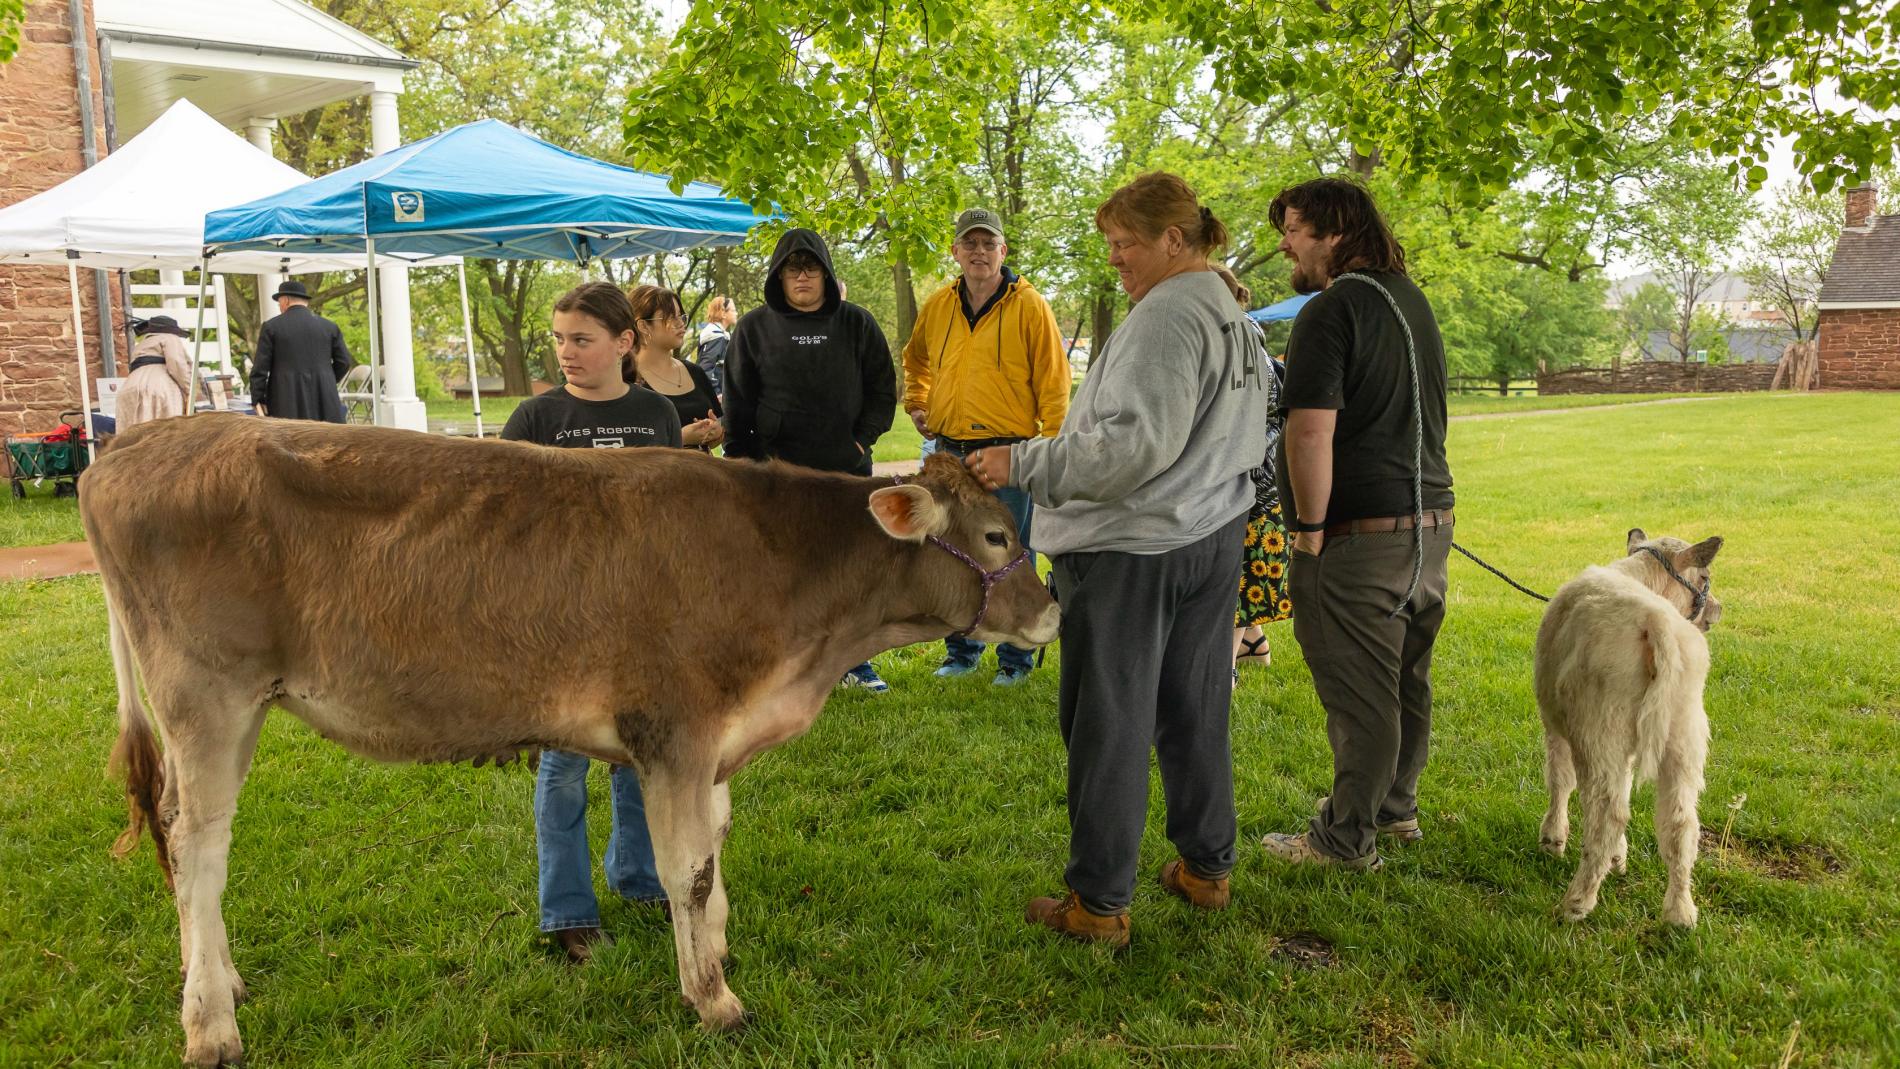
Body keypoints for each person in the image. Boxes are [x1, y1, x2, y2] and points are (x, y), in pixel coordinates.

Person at [966, 173, 1267, 945]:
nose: (1115, 258)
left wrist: (1021, 462)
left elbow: (1131, 448)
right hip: (1208, 535)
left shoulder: (1169, 313)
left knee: (1110, 721)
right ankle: (1206, 866)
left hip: (1136, 549)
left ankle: (1098, 904)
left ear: (1174, 239)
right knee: (1196, 706)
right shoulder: (1228, 309)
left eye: (1125, 243)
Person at [1258, 176, 1455, 871]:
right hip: (1429, 528)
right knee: (1404, 680)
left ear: (1335, 232)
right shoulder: (1411, 300)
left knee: (1362, 694)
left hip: (1359, 539)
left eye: (1294, 229)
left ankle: (1344, 841)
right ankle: (1394, 809)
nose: (1285, 244)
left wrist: (1308, 528)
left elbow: (1309, 432)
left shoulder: (1331, 309)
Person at [501, 282, 684, 963]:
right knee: (563, 768)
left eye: (581, 339)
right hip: (562, 620)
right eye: (559, 339)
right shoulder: (535, 417)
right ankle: (567, 910)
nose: (566, 352)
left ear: (624, 342)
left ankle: (640, 878)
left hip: (641, 614)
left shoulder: (657, 413)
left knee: (639, 755)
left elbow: (671, 513)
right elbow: (503, 522)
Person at [901, 207, 1070, 686]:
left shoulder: (1030, 305)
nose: (979, 252)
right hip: (949, 450)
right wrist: (917, 402)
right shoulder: (938, 305)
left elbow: (1054, 383)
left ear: (1003, 251)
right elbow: (915, 359)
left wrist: (1049, 450)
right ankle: (962, 652)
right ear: (955, 251)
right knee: (953, 552)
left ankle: (1016, 659)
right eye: (970, 243)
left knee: (1011, 552)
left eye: (988, 243)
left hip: (1007, 452)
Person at [724, 228, 897, 692]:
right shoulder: (753, 328)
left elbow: (883, 392)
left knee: (849, 567)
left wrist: (860, 441)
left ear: (826, 273)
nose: (802, 277)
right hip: (778, 476)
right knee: (785, 572)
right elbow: (737, 401)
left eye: (811, 267)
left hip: (846, 473)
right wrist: (743, 463)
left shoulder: (857, 323)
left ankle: (854, 662)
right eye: (792, 269)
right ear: (777, 277)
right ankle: (786, 665)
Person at [1211, 264, 1292, 672]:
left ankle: (1220, 671)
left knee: (1237, 583)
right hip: (1257, 483)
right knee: (1240, 576)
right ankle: (1254, 644)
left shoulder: (1240, 345)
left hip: (1254, 488)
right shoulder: (1241, 339)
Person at [629, 285, 725, 451]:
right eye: (671, 318)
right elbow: (625, 450)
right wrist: (680, 438)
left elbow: (715, 439)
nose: (681, 323)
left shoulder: (695, 372)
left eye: (681, 316)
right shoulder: (626, 379)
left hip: (703, 467)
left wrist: (716, 432)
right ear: (643, 326)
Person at [249, 279, 351, 422]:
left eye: (279, 303)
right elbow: (344, 362)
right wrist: (326, 379)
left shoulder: (271, 327)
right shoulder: (329, 327)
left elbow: (260, 369)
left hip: (285, 401)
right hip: (324, 401)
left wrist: (258, 399)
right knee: (327, 436)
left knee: (290, 436)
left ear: (285, 300)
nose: (279, 307)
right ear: (305, 302)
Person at [116, 315, 194, 430]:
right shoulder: (170, 337)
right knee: (165, 430)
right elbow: (176, 363)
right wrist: (191, 390)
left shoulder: (141, 344)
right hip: (157, 386)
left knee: (134, 432)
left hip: (129, 387)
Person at [696, 295, 737, 401]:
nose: (736, 313)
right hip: (716, 399)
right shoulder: (715, 335)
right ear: (723, 313)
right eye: (733, 310)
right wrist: (717, 393)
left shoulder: (721, 335)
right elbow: (706, 368)